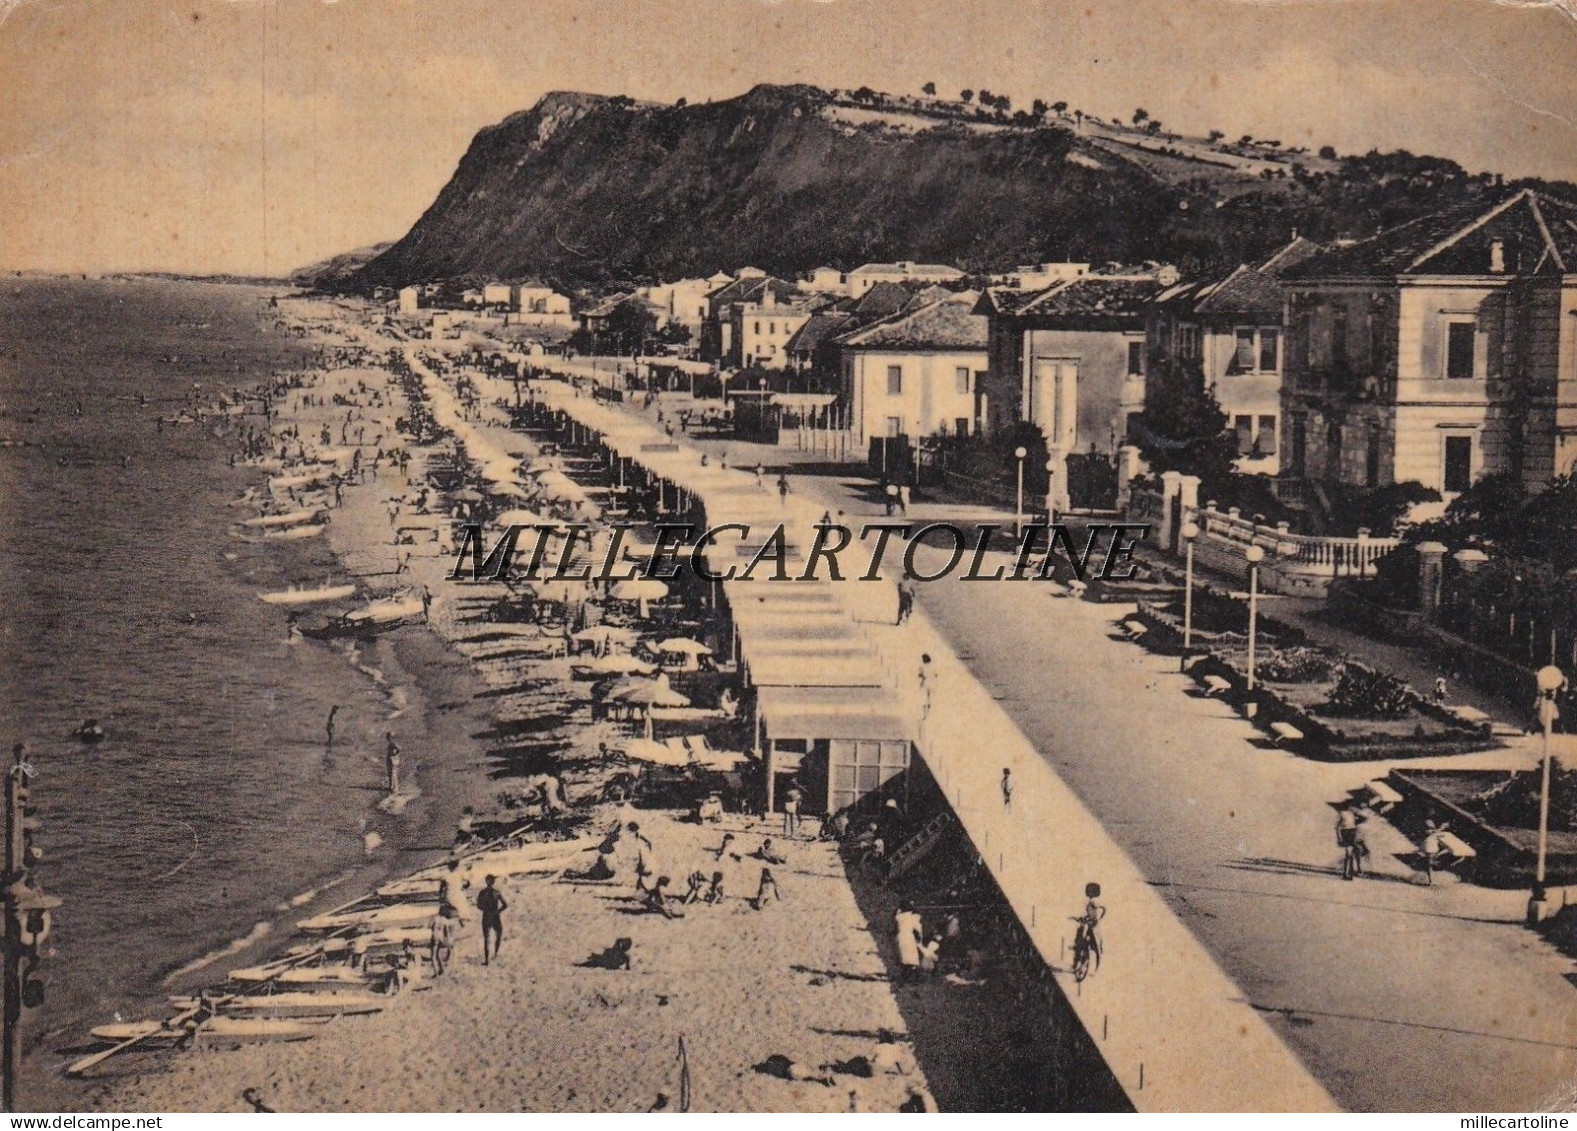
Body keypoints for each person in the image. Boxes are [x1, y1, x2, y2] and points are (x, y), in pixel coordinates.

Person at [476, 874, 507, 964]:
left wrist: (485, 909)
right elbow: (505, 905)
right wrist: (498, 911)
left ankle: (486, 960)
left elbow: (478, 905)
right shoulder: (496, 892)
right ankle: (495, 954)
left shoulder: (482, 892)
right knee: (498, 935)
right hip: (495, 916)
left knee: (486, 938)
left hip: (486, 916)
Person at [1078, 882, 1106, 971]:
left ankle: (1095, 967)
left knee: (1096, 947)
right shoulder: (1091, 902)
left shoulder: (1093, 901)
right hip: (1091, 924)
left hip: (1094, 925)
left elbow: (1102, 908)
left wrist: (1098, 917)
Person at [894, 902, 923, 980]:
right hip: (909, 937)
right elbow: (918, 929)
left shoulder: (899, 917)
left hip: (900, 937)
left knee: (904, 957)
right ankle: (915, 977)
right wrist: (920, 937)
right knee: (912, 957)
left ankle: (905, 975)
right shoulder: (913, 917)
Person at [429, 905, 458, 975]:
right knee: (440, 953)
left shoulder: (435, 918)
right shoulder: (445, 920)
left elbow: (431, 926)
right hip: (441, 937)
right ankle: (443, 968)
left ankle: (436, 971)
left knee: (434, 954)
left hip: (434, 936)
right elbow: (446, 931)